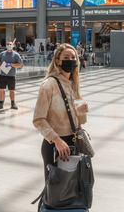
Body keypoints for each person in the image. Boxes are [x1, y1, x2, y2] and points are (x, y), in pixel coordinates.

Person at [32, 42, 90, 174]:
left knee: (75, 185)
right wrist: (57, 140)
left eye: (73, 57)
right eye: (66, 57)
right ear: (58, 61)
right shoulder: (49, 85)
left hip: (72, 142)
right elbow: (38, 119)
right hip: (55, 145)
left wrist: (79, 111)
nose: (70, 60)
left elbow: (62, 114)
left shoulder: (71, 83)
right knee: (57, 185)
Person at [0, 42, 23, 108]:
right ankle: (0, 103)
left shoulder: (16, 55)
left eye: (10, 44)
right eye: (8, 44)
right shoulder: (2, 54)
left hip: (11, 76)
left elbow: (20, 64)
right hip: (3, 75)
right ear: (6, 45)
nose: (9, 46)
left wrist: (11, 64)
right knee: (1, 89)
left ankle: (13, 103)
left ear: (13, 46)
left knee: (11, 90)